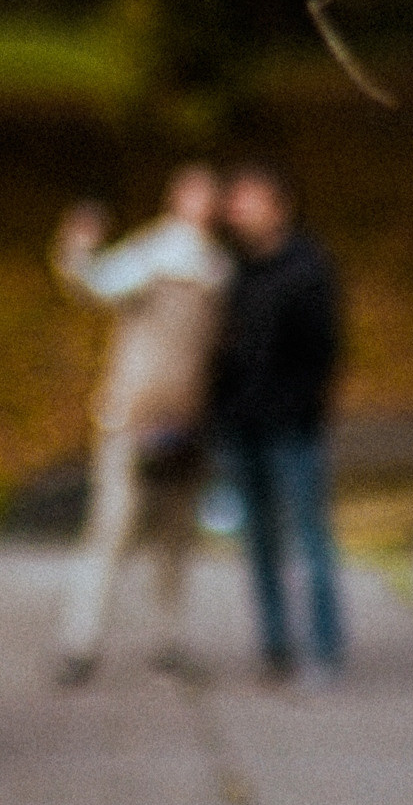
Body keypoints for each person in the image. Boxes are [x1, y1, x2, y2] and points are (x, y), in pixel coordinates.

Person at [49, 163, 231, 686]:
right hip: (132, 419)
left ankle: (168, 641)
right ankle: (79, 641)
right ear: (175, 196)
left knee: (176, 537)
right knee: (112, 529)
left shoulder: (219, 268)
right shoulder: (153, 253)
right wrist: (76, 247)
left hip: (188, 425)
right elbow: (93, 284)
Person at [210, 163, 346, 679]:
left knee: (310, 539)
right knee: (260, 541)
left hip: (293, 430)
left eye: (249, 197)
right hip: (240, 428)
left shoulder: (309, 268)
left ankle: (324, 649)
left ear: (279, 205)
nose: (237, 208)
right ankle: (275, 646)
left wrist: (299, 407)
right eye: (235, 198)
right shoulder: (233, 270)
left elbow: (324, 353)